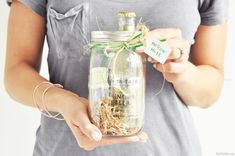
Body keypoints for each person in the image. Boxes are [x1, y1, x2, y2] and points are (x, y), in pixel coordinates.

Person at [4, 0, 228, 155]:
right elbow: (16, 70)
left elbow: (211, 88)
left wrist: (182, 71)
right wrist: (61, 101)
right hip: (65, 150)